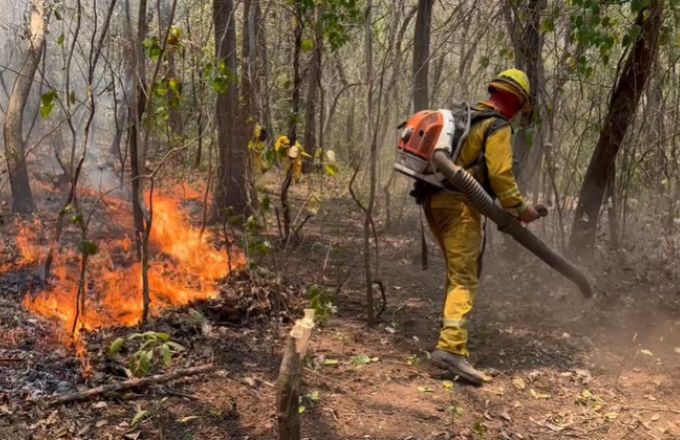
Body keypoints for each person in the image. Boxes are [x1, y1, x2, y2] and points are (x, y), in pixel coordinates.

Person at [425, 69, 542, 385]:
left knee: (457, 273)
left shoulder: (467, 118)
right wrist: (520, 209)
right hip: (460, 206)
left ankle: (450, 340)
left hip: (435, 202)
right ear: (516, 102)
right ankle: (450, 349)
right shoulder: (497, 125)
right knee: (464, 277)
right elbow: (501, 174)